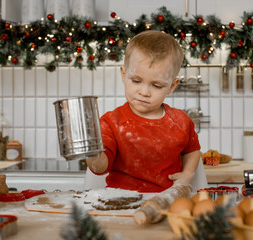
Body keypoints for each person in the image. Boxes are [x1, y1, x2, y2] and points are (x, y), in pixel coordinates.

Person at [86, 30, 201, 193]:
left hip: (165, 202)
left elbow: (192, 149)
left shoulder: (181, 121)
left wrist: (187, 174)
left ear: (172, 86)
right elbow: (100, 168)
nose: (144, 92)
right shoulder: (111, 122)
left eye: (156, 85)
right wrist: (93, 154)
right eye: (136, 81)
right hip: (120, 203)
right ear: (124, 75)